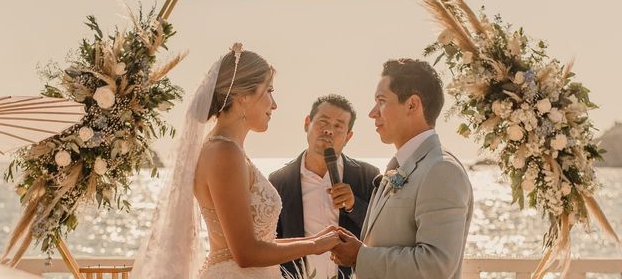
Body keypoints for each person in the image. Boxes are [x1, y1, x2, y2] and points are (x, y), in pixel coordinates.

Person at [132, 44, 341, 279]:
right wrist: (314, 246)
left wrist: (317, 238)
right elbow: (245, 253)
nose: (274, 104)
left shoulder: (229, 150)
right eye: (269, 91)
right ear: (243, 96)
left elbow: (261, 242)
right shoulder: (224, 152)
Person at [331, 58, 474, 279]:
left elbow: (435, 265)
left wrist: (360, 256)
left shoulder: (442, 170)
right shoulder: (402, 166)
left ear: (412, 105)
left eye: (381, 101)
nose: (372, 113)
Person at [269, 95, 379, 279]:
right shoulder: (279, 181)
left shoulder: (368, 176)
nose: (328, 130)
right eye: (323, 121)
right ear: (307, 123)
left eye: (338, 126)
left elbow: (383, 234)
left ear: (348, 136)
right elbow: (271, 243)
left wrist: (354, 206)